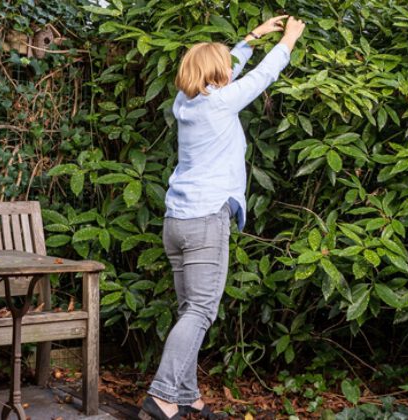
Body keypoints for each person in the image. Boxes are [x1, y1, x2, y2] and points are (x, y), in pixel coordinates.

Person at [139, 14, 307, 420]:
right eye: (225, 67)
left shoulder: (186, 103)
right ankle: (162, 395)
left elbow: (230, 65)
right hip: (204, 221)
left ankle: (185, 394)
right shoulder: (220, 102)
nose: (231, 70)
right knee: (200, 311)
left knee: (188, 309)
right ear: (216, 74)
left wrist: (253, 36)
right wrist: (288, 39)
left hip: (176, 221)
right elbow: (262, 75)